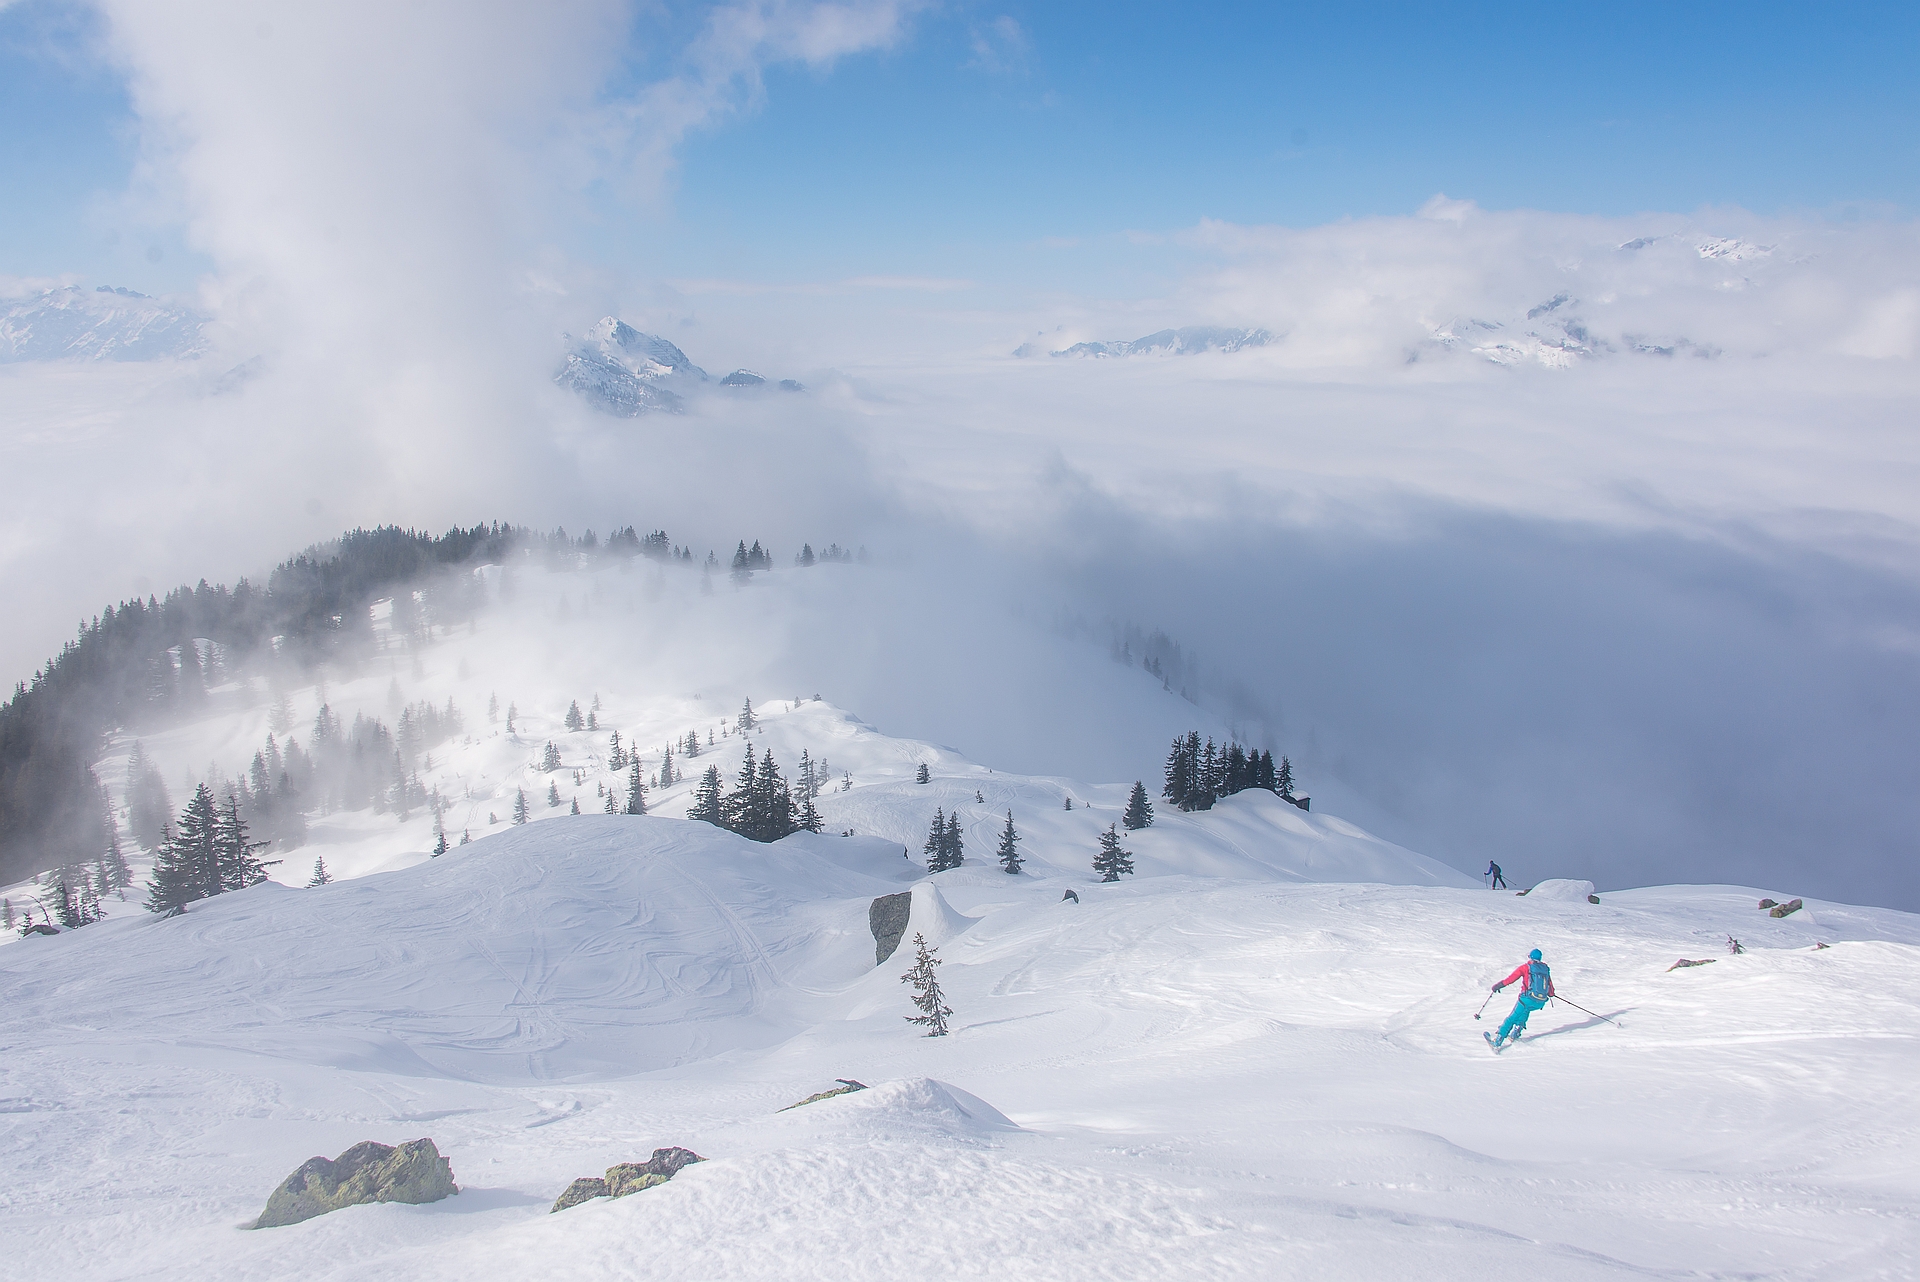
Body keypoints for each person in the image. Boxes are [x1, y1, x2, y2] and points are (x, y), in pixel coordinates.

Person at [1489, 948, 1553, 1046]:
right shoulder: (1545, 969)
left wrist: (1498, 986)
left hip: (1527, 998)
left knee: (1512, 1017)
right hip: (1540, 1001)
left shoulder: (1525, 967)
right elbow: (1550, 989)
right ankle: (1516, 1032)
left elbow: (1510, 979)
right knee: (1525, 1010)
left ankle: (1498, 1040)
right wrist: (1550, 994)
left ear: (1530, 957)